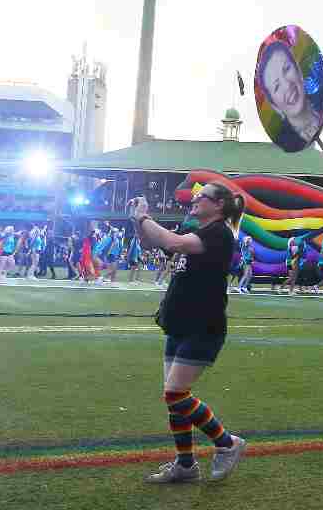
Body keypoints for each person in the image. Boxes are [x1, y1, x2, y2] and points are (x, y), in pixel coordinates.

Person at [128, 183, 249, 484]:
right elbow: (149, 244)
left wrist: (145, 217)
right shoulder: (196, 231)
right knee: (174, 398)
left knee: (175, 395)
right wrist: (137, 220)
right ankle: (185, 466)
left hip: (202, 326)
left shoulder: (219, 233)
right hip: (179, 323)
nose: (194, 199)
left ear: (219, 205)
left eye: (201, 196)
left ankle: (227, 443)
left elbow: (174, 242)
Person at [256, 39, 323, 150]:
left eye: (286, 69)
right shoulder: (286, 146)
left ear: (298, 70)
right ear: (275, 107)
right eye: (277, 86)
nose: (287, 85)